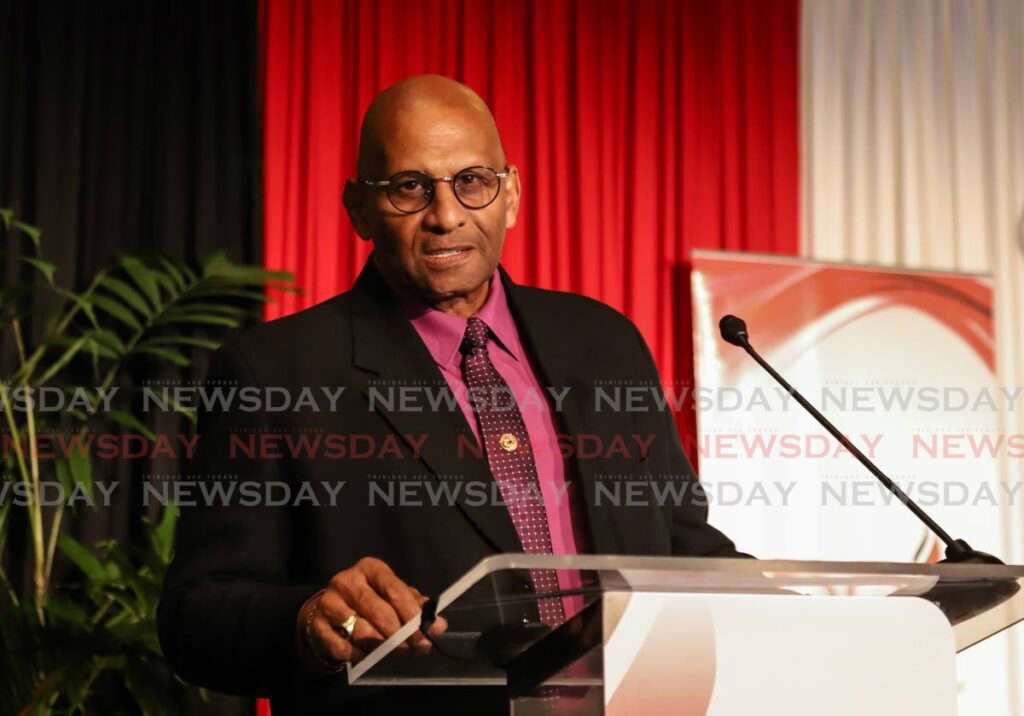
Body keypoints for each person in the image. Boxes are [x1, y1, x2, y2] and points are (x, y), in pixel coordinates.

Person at [158, 74, 744, 715]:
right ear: (358, 207)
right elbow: (196, 616)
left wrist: (806, 616)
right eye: (410, 187)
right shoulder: (274, 373)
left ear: (511, 194)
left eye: (472, 180)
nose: (445, 215)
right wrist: (309, 619)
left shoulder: (605, 342)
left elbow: (684, 546)